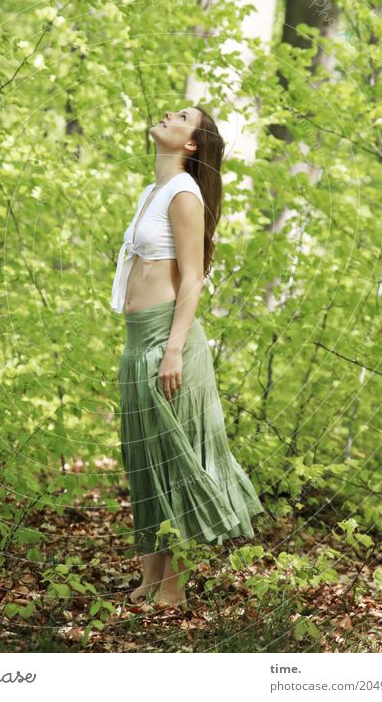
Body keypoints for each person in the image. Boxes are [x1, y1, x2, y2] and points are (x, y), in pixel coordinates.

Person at [112, 106, 265, 609]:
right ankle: (149, 579)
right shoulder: (152, 193)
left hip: (166, 343)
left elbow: (193, 277)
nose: (166, 114)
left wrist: (173, 348)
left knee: (177, 462)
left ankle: (172, 590)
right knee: (147, 460)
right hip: (139, 342)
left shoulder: (183, 194)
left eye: (181, 116)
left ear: (192, 144)